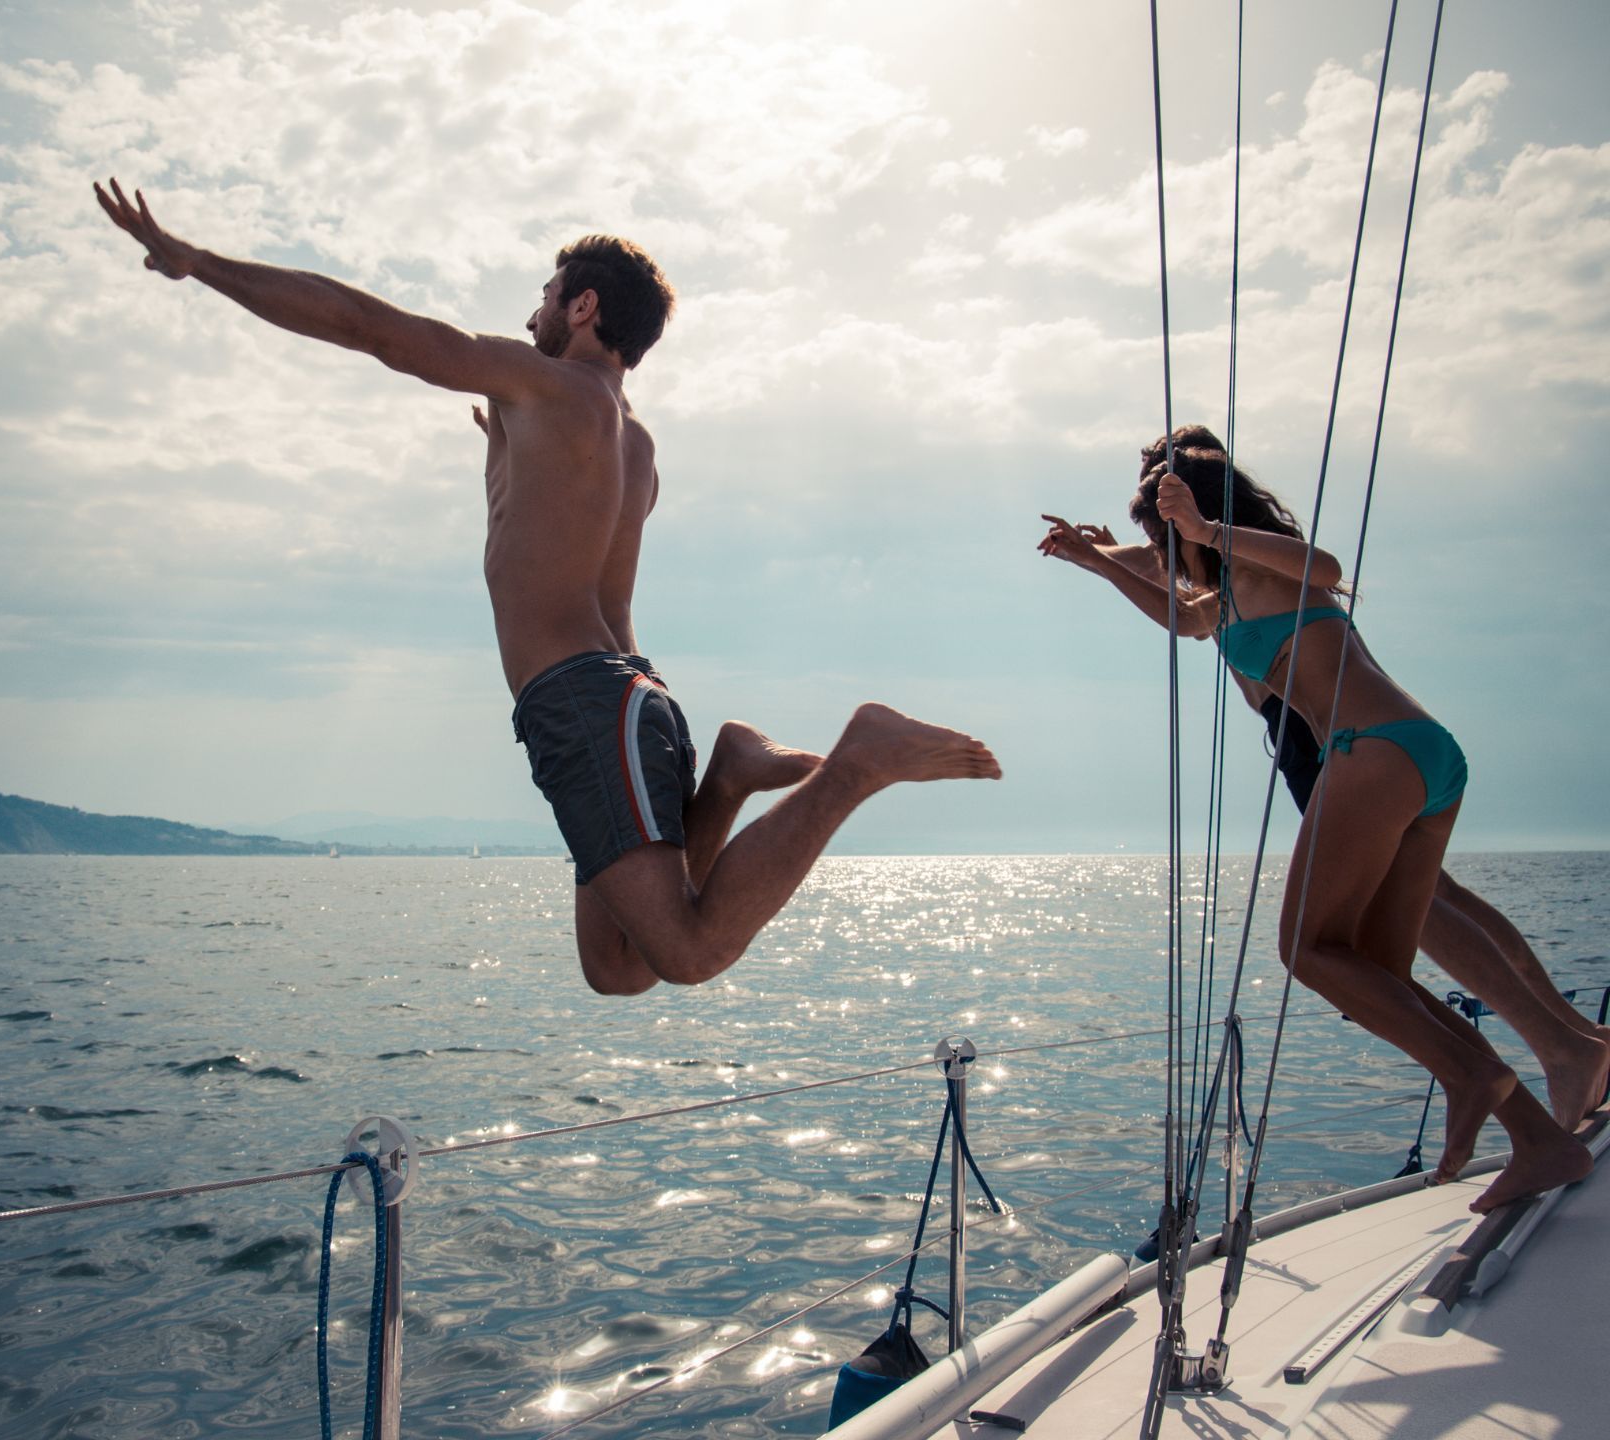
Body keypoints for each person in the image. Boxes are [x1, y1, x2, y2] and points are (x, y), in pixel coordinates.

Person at [94, 179, 1000, 996]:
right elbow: (575, 584)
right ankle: (723, 777)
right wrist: (502, 461)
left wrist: (200, 262)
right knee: (615, 969)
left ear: (583, 304)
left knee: (682, 954)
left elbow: (373, 330)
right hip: (630, 694)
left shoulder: (545, 387)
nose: (533, 310)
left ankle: (858, 760)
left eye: (544, 293)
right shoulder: (634, 448)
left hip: (580, 702)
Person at [1038, 432, 1590, 1213]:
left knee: (1305, 947)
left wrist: (1201, 531)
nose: (1163, 550)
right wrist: (1098, 560)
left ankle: (1486, 1074)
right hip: (1416, 756)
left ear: (1206, 515)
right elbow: (1184, 616)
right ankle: (1539, 1139)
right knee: (1381, 977)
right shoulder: (1226, 595)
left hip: (1375, 752)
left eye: (1167, 536)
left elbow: (1326, 569)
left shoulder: (1264, 565)